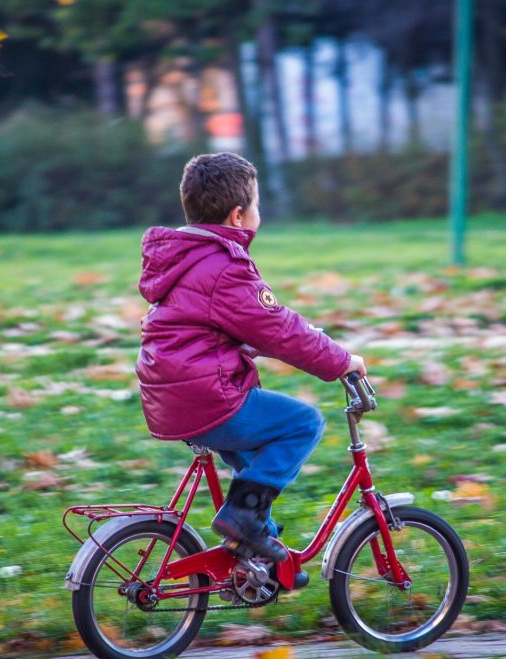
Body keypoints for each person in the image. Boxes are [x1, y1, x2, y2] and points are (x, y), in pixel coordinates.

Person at [135, 152, 365, 564]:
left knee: (252, 466)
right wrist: (340, 360)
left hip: (172, 398)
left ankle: (259, 552)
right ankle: (243, 519)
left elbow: (217, 326)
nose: (260, 213)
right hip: (210, 397)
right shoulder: (226, 267)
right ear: (239, 216)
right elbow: (279, 329)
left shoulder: (184, 260)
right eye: (257, 205)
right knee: (302, 422)